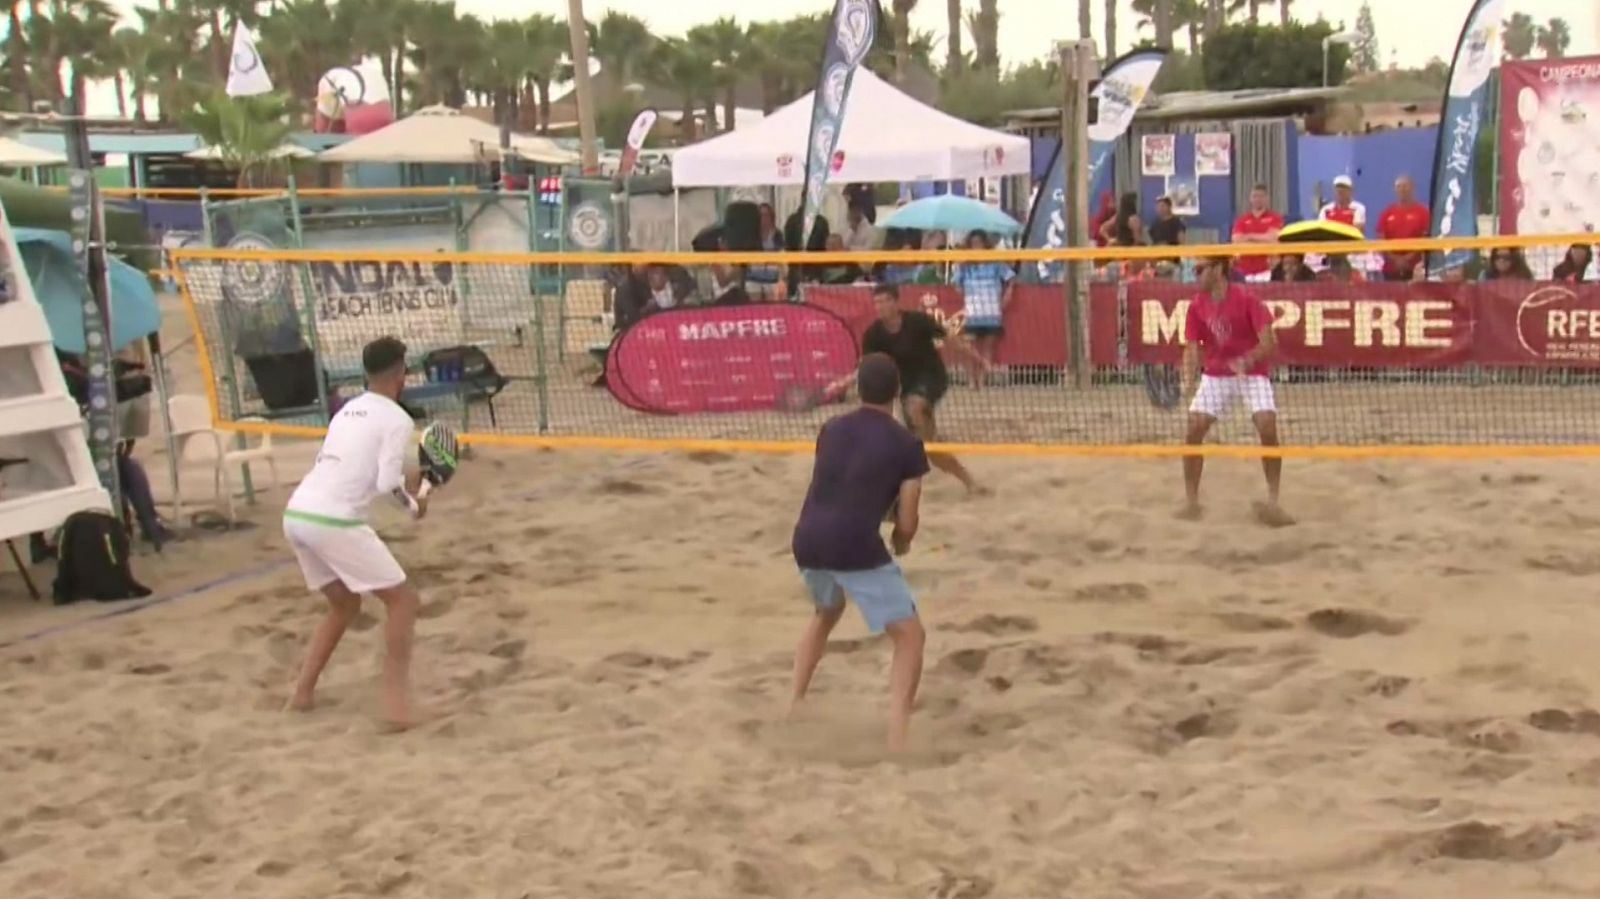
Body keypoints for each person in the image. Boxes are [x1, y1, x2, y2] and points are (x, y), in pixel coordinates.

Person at [282, 336, 428, 728]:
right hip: (333, 519)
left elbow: (357, 465)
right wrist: (414, 506)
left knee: (344, 605)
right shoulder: (397, 418)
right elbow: (384, 483)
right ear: (401, 374)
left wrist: (410, 481)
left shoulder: (347, 410)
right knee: (402, 602)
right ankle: (395, 706)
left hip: (298, 512)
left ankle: (302, 693)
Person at [791, 353, 929, 752]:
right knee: (910, 637)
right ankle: (897, 737)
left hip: (807, 539)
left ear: (858, 388)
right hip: (851, 543)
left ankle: (795, 702)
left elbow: (843, 485)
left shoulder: (831, 429)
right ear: (897, 392)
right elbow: (907, 519)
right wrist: (902, 541)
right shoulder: (907, 445)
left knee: (825, 614)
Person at [828, 285, 986, 495]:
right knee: (930, 446)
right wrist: (843, 383)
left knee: (915, 407)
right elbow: (865, 367)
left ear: (896, 302)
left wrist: (979, 359)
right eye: (877, 302)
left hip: (932, 377)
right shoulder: (874, 334)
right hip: (905, 386)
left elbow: (952, 340)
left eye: (885, 301)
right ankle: (969, 482)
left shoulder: (917, 321)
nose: (880, 306)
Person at [1178, 257, 1292, 527]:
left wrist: (1247, 360)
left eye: (1200, 269)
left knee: (1267, 425)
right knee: (1193, 429)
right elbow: (1192, 347)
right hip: (1218, 373)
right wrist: (1188, 378)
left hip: (1251, 372)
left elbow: (1270, 343)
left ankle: (1273, 500)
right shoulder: (1196, 305)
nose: (1196, 275)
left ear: (1218, 270)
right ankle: (1191, 502)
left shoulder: (1248, 299)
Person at [950, 231, 1015, 371]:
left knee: (988, 347)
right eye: (973, 243)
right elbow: (956, 285)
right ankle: (972, 382)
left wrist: (1007, 296)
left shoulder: (995, 263)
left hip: (991, 311)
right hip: (972, 312)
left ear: (985, 245)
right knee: (969, 349)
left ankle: (983, 381)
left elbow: (1010, 279)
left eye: (979, 243)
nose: (976, 246)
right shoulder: (965, 266)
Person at [1376, 175, 1429, 281]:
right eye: (1399, 187)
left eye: (1405, 186)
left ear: (1413, 188)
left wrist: (1407, 258)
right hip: (1391, 269)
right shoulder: (1387, 213)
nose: (1402, 190)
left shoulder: (1423, 212)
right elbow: (1380, 239)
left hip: (1415, 269)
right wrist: (1395, 259)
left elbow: (1425, 238)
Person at [1231, 184, 1284, 280]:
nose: (1257, 199)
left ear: (1267, 198)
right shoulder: (1242, 220)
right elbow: (1237, 241)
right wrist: (1263, 240)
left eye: (1261, 196)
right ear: (1250, 199)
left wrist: (1249, 237)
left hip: (1267, 271)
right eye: (1255, 196)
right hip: (1244, 271)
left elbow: (1273, 238)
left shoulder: (1275, 218)